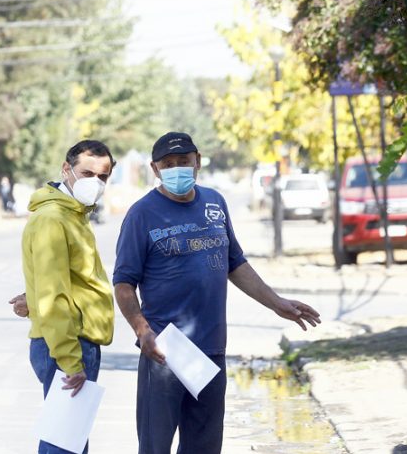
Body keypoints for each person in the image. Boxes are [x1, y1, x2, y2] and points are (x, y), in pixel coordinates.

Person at [112, 132, 322, 454]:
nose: (177, 168)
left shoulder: (215, 203)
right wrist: (142, 330)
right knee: (155, 447)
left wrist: (277, 303)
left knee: (204, 447)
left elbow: (235, 263)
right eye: (168, 164)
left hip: (211, 348)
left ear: (197, 161)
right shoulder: (142, 214)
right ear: (155, 169)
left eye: (183, 161)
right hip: (165, 350)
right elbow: (124, 283)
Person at [19, 140, 116, 454]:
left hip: (71, 342)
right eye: (87, 173)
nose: (95, 183)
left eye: (102, 177)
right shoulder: (54, 219)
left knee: (68, 443)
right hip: (67, 345)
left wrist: (30, 299)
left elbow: (57, 281)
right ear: (66, 169)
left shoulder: (74, 214)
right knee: (63, 446)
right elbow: (54, 297)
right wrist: (72, 362)